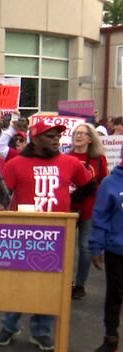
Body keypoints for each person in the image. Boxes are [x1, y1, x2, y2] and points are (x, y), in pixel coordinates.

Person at [0, 121, 93, 352]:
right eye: (50, 136)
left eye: (58, 136)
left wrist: (71, 206)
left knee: (51, 286)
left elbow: (88, 187)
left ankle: (41, 331)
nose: (56, 139)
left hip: (58, 235)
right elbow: (1, 195)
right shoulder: (15, 164)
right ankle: (9, 326)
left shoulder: (71, 163)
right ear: (34, 139)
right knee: (18, 284)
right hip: (23, 235)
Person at [67, 123, 108, 300]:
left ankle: (80, 284)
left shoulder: (99, 159)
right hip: (68, 207)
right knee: (65, 248)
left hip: (89, 208)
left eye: (82, 133)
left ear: (90, 138)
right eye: (76, 133)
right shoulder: (65, 156)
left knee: (85, 248)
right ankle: (65, 282)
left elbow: (104, 181)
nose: (78, 136)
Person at [88, 159, 123, 352]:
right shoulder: (111, 183)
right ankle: (110, 339)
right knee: (115, 296)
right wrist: (96, 247)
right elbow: (100, 217)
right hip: (117, 250)